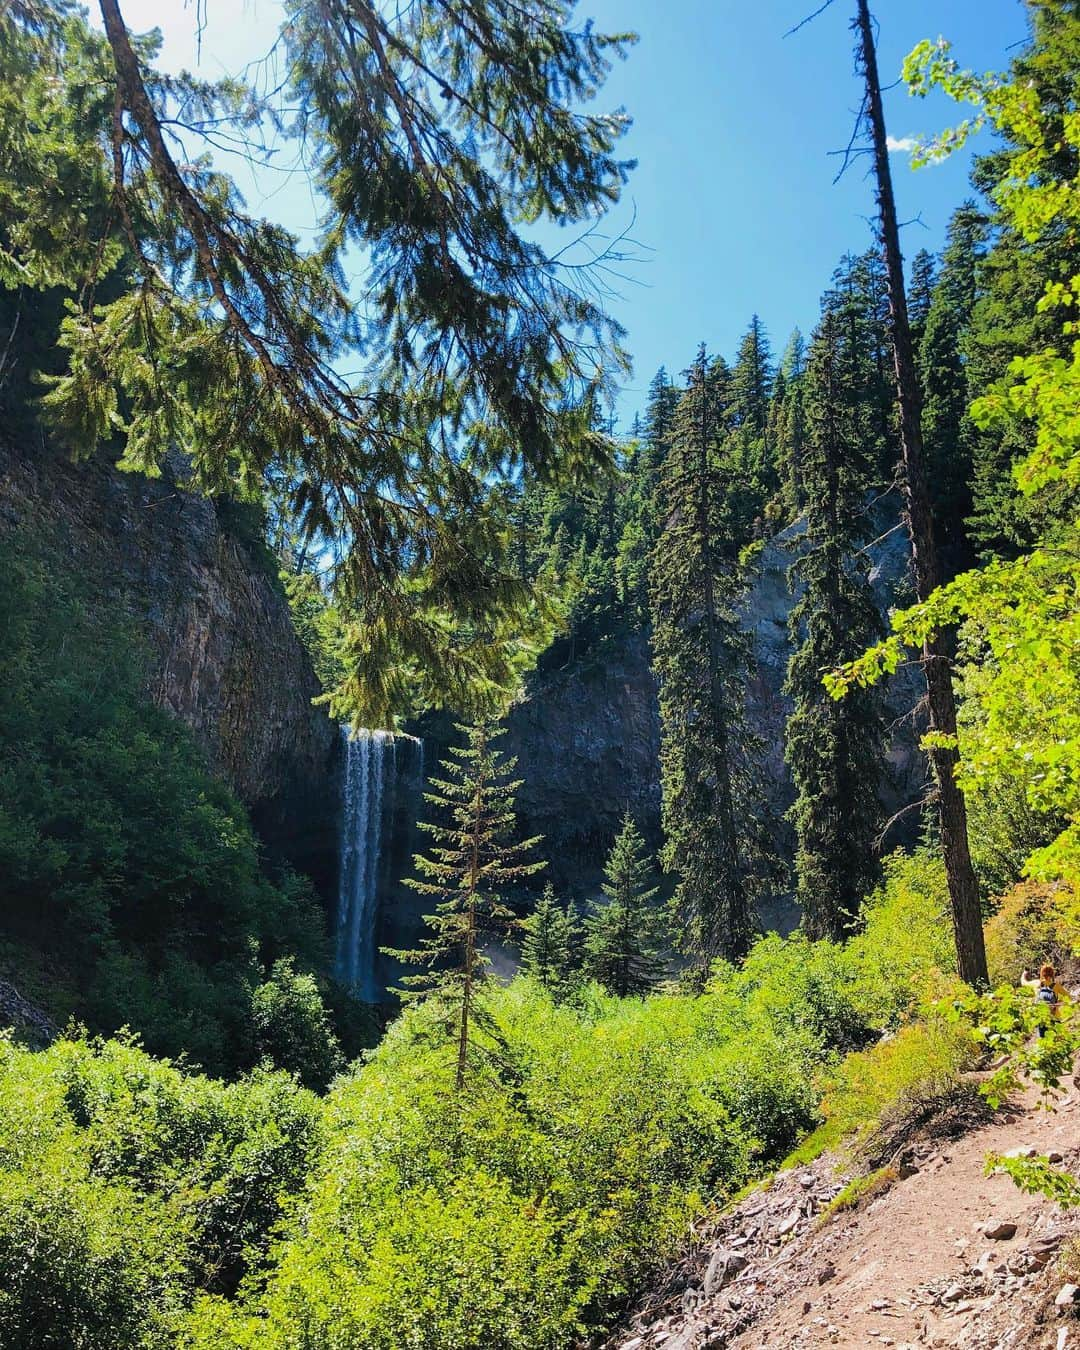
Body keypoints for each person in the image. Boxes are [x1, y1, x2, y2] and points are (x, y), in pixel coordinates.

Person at [1021, 963, 1069, 1036]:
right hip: (1054, 1017)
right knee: (1058, 1041)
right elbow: (1069, 997)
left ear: (1041, 974)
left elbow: (1023, 982)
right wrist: (1059, 1003)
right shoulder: (1056, 986)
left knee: (1044, 1043)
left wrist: (1024, 973)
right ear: (1052, 974)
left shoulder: (1036, 983)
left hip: (1042, 1019)